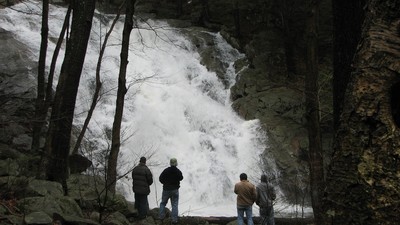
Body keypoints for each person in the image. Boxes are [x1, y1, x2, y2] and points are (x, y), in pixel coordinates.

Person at [159, 158, 184, 224]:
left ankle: (161, 217)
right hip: (175, 190)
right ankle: (174, 220)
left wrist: (165, 183)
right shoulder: (178, 171)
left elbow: (160, 179)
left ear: (170, 163)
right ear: (176, 163)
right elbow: (181, 178)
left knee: (163, 203)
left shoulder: (166, 170)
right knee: (174, 205)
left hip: (166, 189)